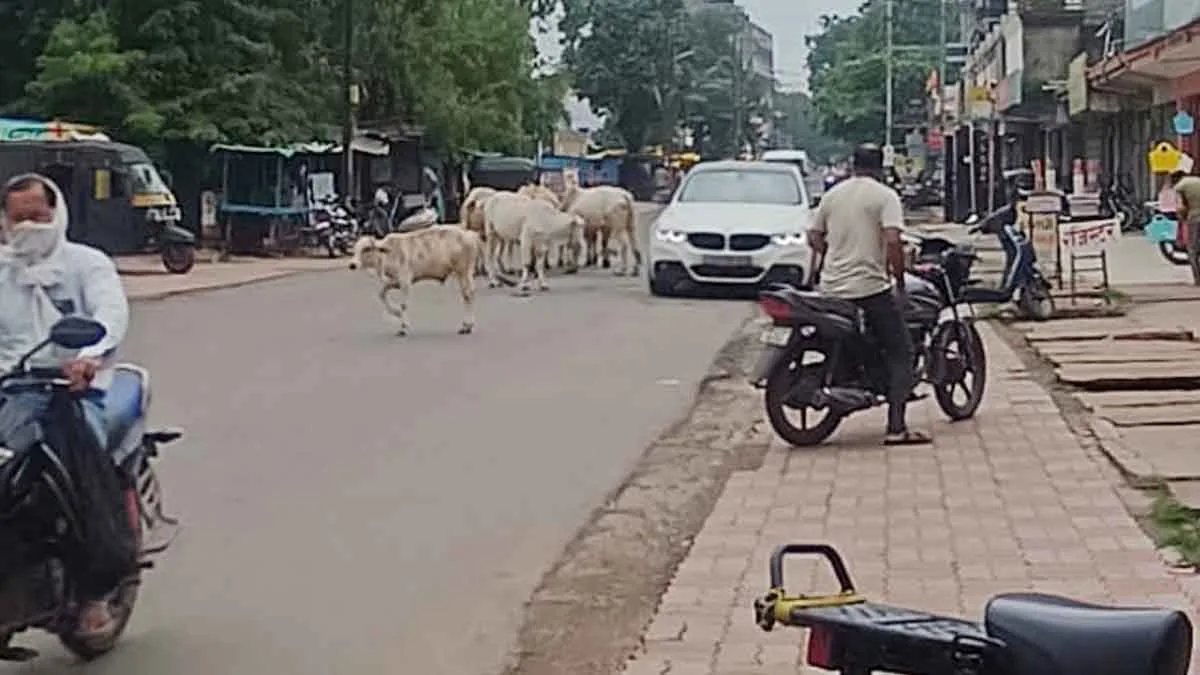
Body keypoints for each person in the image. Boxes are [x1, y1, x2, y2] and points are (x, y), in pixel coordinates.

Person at [0, 173, 135, 638]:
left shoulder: (85, 264)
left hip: (72, 389)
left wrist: (88, 358)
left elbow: (109, 314)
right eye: (19, 219)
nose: (29, 227)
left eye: (38, 217)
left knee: (74, 474)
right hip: (9, 389)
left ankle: (97, 587)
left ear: (57, 214)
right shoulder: (1, 270)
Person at [808, 144, 930, 446]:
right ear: (881, 168)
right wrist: (899, 278)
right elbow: (893, 241)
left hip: (831, 286)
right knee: (902, 351)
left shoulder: (833, 194)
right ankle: (897, 428)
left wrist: (835, 254)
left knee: (858, 341)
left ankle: (861, 376)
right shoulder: (885, 196)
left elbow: (813, 236)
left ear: (853, 165)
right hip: (869, 287)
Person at [1170, 168, 1200, 285]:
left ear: (1175, 179)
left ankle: (1197, 279)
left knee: (1192, 249)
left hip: (1195, 218)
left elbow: (1181, 207)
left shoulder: (1179, 187)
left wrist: (1181, 218)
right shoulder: (1197, 180)